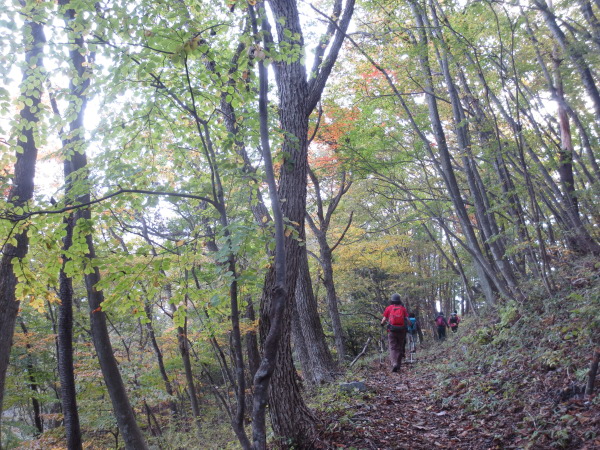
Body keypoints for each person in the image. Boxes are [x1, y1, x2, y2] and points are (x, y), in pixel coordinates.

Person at [381, 293, 409, 372]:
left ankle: (394, 363)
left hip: (392, 331)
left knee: (393, 347)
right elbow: (407, 319)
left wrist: (382, 324)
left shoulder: (389, 308)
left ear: (392, 300)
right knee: (400, 347)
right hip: (401, 330)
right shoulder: (403, 308)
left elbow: (384, 319)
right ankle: (398, 364)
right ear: (399, 300)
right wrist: (409, 325)